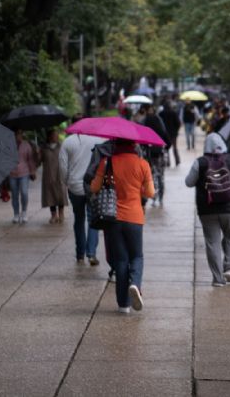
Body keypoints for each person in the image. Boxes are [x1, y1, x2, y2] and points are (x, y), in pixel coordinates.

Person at [91, 139, 155, 314]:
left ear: (115, 145)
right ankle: (135, 283)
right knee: (137, 256)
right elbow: (150, 193)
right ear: (134, 146)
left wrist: (107, 182)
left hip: (113, 218)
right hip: (134, 217)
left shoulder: (107, 162)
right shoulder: (143, 164)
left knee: (120, 260)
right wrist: (137, 188)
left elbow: (94, 187)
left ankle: (123, 305)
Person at [185, 133, 230, 286]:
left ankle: (217, 279)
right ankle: (229, 268)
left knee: (212, 242)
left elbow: (188, 182)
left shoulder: (200, 162)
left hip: (207, 210)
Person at [60, 132, 105, 265]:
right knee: (93, 219)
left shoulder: (68, 142)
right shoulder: (98, 139)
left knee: (79, 220)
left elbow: (63, 166)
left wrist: (66, 181)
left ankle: (80, 254)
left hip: (75, 187)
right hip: (93, 185)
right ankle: (91, 254)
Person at [141, 104, 171, 207]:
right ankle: (161, 198)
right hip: (160, 154)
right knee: (161, 176)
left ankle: (154, 198)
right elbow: (167, 140)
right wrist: (165, 148)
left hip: (150, 155)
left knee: (152, 177)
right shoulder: (159, 124)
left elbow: (142, 142)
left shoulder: (146, 124)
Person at [40, 129, 69, 224]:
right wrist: (37, 153)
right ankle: (53, 215)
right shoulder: (44, 148)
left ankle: (61, 213)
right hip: (48, 175)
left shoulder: (62, 147)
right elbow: (38, 161)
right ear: (49, 137)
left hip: (59, 173)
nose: (56, 137)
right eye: (54, 135)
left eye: (57, 135)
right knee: (50, 195)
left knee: (60, 194)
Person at [9, 129, 37, 224]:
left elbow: (30, 159)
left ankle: (24, 212)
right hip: (12, 173)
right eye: (17, 134)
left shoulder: (26, 145)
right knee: (14, 195)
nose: (18, 136)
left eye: (20, 134)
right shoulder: (9, 145)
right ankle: (16, 214)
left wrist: (32, 171)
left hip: (24, 172)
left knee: (24, 193)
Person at [159, 100, 182, 166]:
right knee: (175, 147)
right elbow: (178, 123)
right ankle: (177, 161)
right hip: (173, 133)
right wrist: (176, 130)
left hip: (165, 134)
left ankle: (167, 162)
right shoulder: (173, 113)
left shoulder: (161, 113)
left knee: (166, 148)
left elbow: (160, 123)